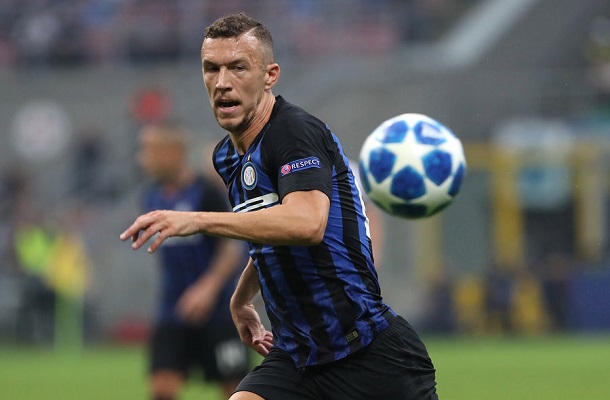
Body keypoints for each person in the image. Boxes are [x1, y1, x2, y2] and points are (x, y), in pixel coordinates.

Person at [122, 13, 438, 400]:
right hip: (297, 355)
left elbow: (306, 224)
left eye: (238, 67)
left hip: (367, 352)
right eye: (211, 68)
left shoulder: (293, 132)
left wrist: (197, 220)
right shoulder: (228, 157)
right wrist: (241, 297)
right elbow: (267, 229)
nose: (222, 83)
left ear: (270, 75)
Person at [135, 122, 250, 400]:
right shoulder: (151, 196)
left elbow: (231, 248)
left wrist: (207, 289)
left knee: (236, 390)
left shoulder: (206, 193)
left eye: (149, 151)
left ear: (172, 153)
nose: (143, 159)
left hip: (218, 310)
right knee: (162, 388)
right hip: (173, 309)